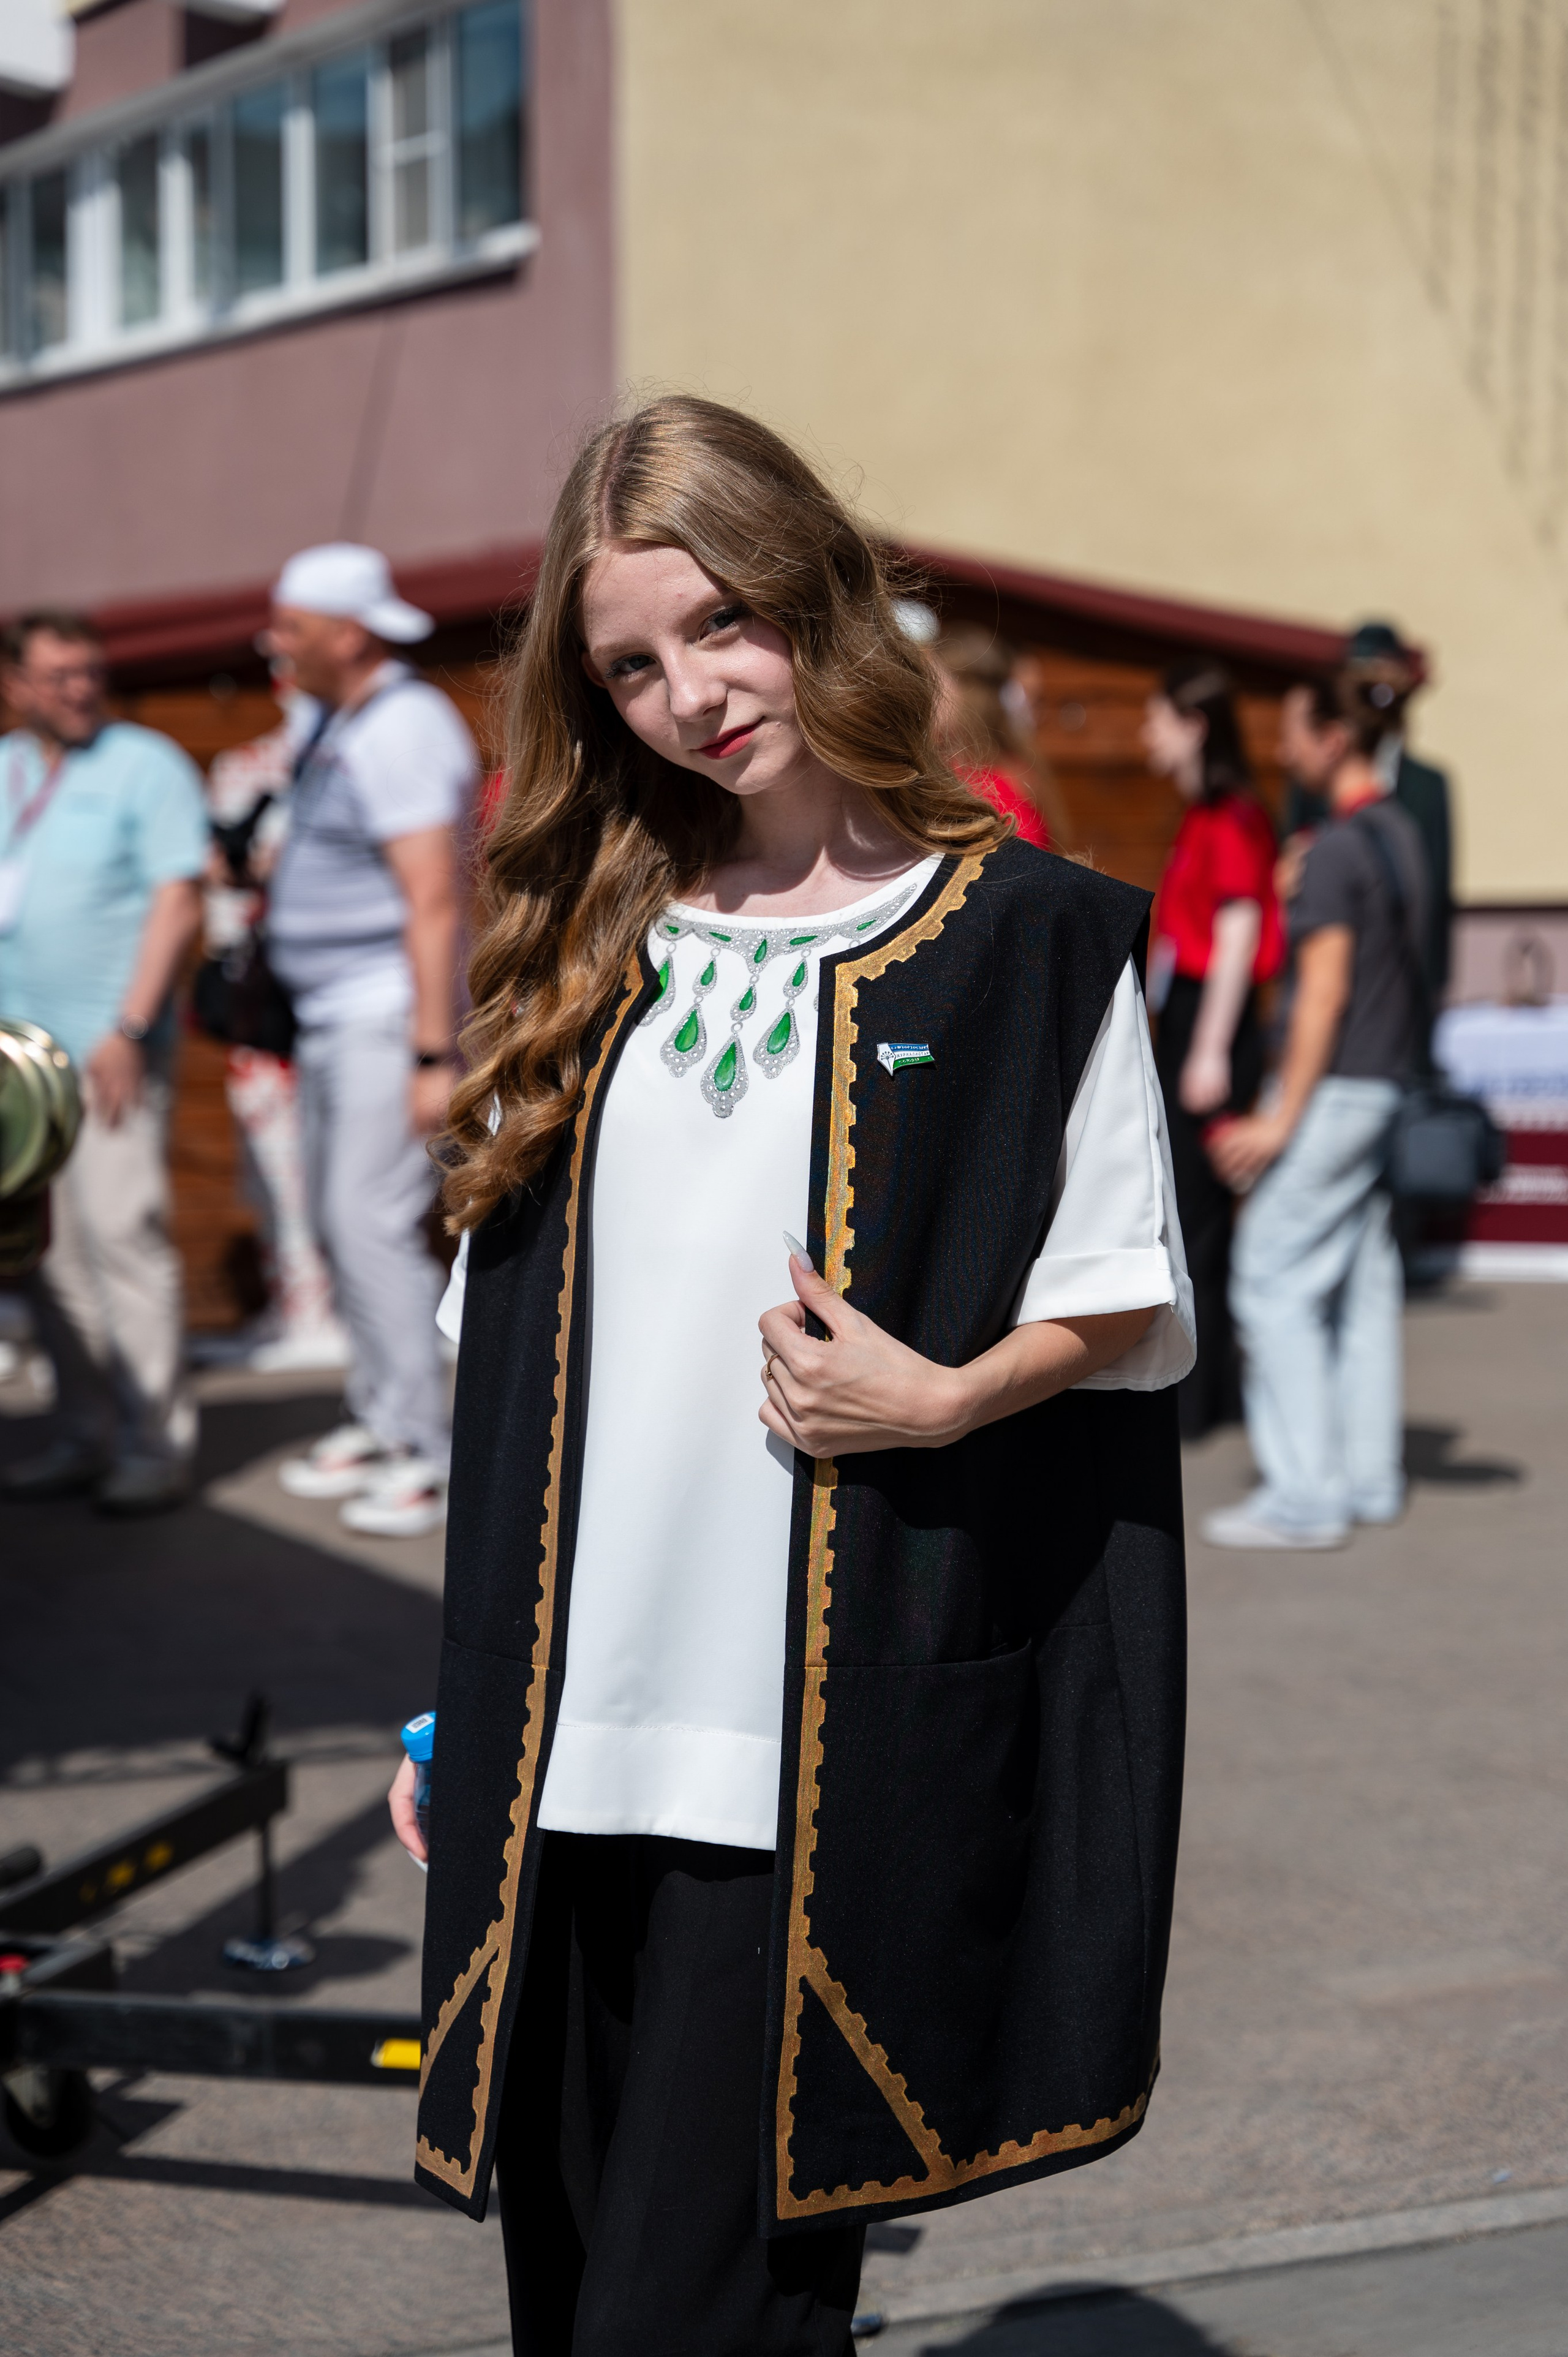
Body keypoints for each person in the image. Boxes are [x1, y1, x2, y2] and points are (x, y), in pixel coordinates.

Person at [387, 396, 1193, 2356]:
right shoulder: (587, 935)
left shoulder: (1029, 942)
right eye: (630, 664)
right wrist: (453, 1708)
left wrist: (934, 1400)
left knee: (708, 2312)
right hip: (570, 1743)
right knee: (572, 2296)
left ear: (817, 594)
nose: (687, 693)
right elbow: (505, 1387)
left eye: (719, 624)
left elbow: (1121, 1289)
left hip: (811, 1746)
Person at [265, 545, 477, 1539]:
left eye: (291, 626)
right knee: (343, 1221)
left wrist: (433, 1055)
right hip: (333, 1013)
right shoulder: (342, 720)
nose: (275, 642)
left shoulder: (402, 727)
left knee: (372, 1220)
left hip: (385, 1014)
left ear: (345, 634)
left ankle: (429, 1451)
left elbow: (433, 897)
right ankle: (381, 1412)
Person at [1204, 673, 1427, 1550]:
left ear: (1335, 739)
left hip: (1333, 1089)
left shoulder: (1335, 851)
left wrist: (1278, 1120)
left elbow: (1325, 993)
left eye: (1295, 730)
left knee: (1270, 1276)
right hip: (1383, 1083)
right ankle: (1368, 1478)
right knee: (1361, 1284)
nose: (1281, 747)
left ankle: (1305, 1496)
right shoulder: (1398, 832)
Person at [0, 612, 208, 1514]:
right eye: (57, 676)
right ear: (15, 685)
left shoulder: (145, 763)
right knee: (51, 1256)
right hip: (19, 1067)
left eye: (89, 672)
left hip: (106, 1051)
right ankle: (85, 1433)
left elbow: (180, 901)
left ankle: (156, 1442)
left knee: (125, 1237)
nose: (79, 689)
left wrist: (129, 1026)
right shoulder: (6, 768)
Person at [1142, 661, 1283, 1439]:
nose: (1145, 734)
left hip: (1211, 1019)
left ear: (1193, 725)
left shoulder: (1229, 817)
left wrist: (1207, 1049)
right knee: (1198, 1218)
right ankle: (1212, 1391)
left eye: (1155, 717)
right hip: (1197, 1014)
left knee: (1194, 1218)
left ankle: (1194, 1401)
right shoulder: (1207, 813)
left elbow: (1235, 937)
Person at [198, 682, 347, 1371]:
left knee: (340, 1170)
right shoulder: (241, 769)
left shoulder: (353, 762)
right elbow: (221, 891)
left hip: (337, 1002)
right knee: (270, 1169)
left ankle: (327, 1309)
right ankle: (298, 1305)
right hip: (263, 1007)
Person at [1280, 621, 1453, 1021]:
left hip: (1400, 992)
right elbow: (1292, 863)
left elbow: (1437, 892)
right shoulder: (1313, 783)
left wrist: (1434, 989)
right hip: (1330, 970)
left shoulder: (1429, 786)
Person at [928, 621, 1063, 848]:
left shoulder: (971, 782)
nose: (924, 697)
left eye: (933, 684)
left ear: (963, 690)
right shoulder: (1020, 765)